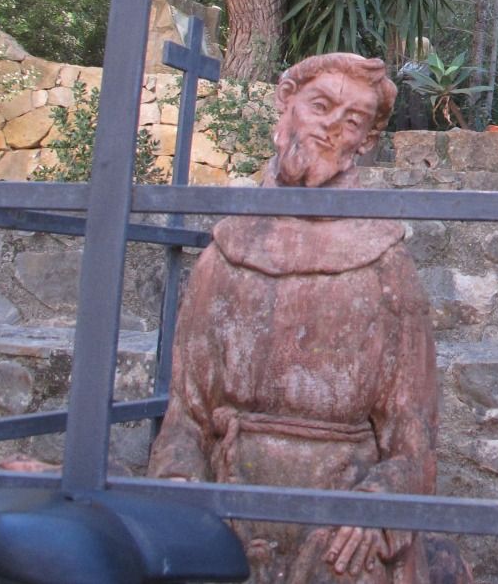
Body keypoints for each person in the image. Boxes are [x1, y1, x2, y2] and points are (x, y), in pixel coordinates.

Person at [149, 53, 464, 584]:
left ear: (363, 143)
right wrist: (182, 491)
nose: (329, 126)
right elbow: (187, 416)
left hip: (343, 518)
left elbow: (412, 434)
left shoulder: (384, 264)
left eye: (352, 121)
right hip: (230, 500)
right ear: (286, 104)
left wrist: (376, 505)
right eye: (320, 106)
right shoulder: (225, 253)